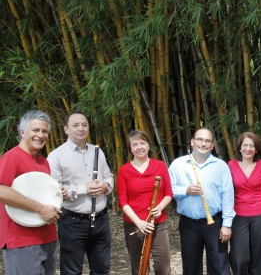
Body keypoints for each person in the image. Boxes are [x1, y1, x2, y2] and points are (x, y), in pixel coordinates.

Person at [48, 112, 114, 275]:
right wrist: (84, 188)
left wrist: (105, 186)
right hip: (72, 221)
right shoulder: (56, 156)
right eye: (75, 125)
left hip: (101, 220)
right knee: (72, 271)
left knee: (102, 269)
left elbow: (109, 176)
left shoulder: (97, 151)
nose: (81, 129)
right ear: (66, 129)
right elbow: (53, 191)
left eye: (84, 125)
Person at [0, 110, 61, 275]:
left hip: (46, 235)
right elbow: (1, 190)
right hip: (21, 239)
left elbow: (40, 193)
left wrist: (58, 195)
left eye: (44, 131)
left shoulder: (43, 162)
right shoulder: (11, 157)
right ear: (22, 132)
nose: (40, 135)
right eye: (35, 130)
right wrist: (40, 209)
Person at [168, 127, 235, 275]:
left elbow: (228, 196)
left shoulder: (221, 166)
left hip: (215, 223)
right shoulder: (178, 164)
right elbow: (168, 191)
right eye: (199, 139)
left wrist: (227, 225)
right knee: (190, 265)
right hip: (189, 223)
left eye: (207, 141)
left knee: (219, 265)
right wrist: (186, 190)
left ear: (212, 145)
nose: (203, 143)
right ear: (192, 142)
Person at [117, 130, 173, 275]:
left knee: (163, 267)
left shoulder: (160, 166)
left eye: (143, 143)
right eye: (135, 144)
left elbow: (168, 194)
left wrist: (160, 207)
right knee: (139, 267)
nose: (139, 147)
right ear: (130, 148)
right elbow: (123, 201)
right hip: (134, 224)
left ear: (148, 145)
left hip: (158, 223)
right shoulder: (124, 170)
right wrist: (139, 223)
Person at [228, 132, 261, 275]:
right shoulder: (230, 165)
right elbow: (226, 193)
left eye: (251, 146)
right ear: (239, 148)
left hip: (259, 214)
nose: (248, 149)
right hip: (238, 215)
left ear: (256, 149)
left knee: (258, 257)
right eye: (245, 145)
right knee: (239, 257)